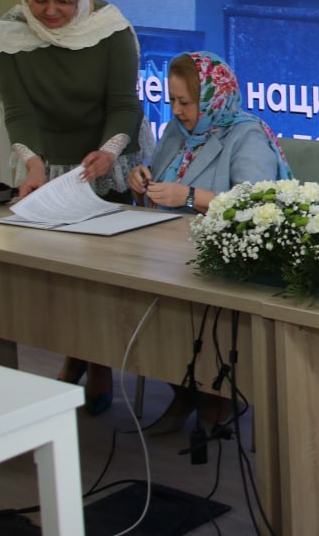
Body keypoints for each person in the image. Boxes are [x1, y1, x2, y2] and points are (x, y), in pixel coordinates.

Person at [0, 0, 149, 415]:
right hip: (48, 159)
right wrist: (32, 163)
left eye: (62, 1)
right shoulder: (8, 37)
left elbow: (124, 104)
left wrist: (109, 151)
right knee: (59, 271)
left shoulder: (110, 28)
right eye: (39, 1)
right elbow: (18, 111)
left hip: (107, 152)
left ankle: (98, 364)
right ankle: (77, 353)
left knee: (103, 272)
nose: (50, 12)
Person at [128, 51, 291, 436]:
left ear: (214, 98)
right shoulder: (177, 130)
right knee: (130, 297)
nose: (177, 111)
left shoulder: (247, 135)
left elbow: (256, 208)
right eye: (172, 100)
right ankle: (185, 388)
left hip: (226, 262)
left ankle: (215, 396)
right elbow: (159, 189)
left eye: (186, 102)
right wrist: (141, 184)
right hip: (170, 253)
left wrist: (189, 197)